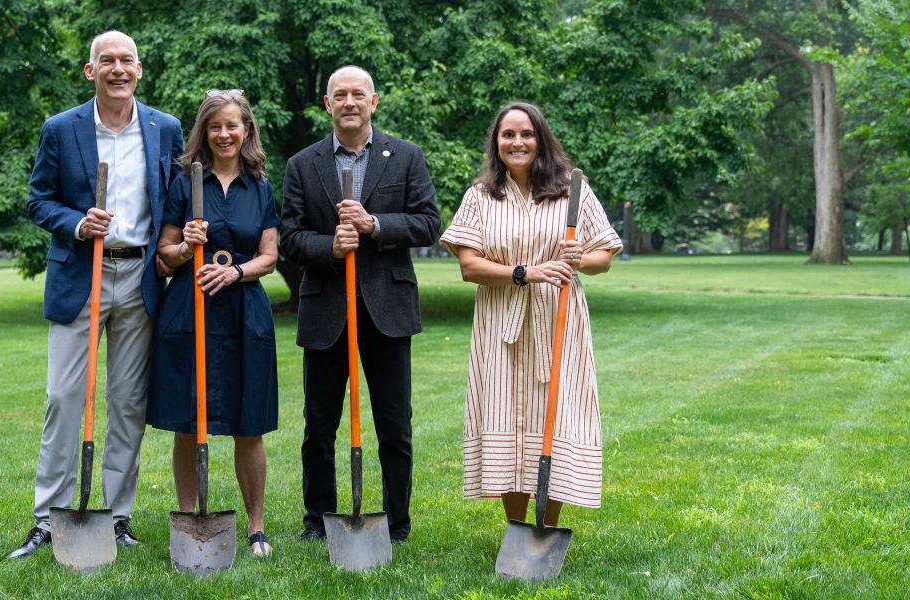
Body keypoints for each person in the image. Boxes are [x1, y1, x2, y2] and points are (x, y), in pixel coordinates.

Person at [9, 30, 184, 559]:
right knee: (65, 398)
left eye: (126, 60)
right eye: (106, 61)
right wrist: (77, 223)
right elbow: (39, 201)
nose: (117, 69)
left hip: (140, 276)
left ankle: (117, 515)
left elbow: (174, 200)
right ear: (91, 71)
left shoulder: (165, 128)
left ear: (138, 67)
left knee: (128, 402)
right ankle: (47, 517)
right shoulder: (61, 129)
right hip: (80, 273)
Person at [439, 101, 621, 527]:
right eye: (508, 135)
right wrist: (524, 272)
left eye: (526, 134)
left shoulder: (572, 190)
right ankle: (517, 529)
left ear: (541, 139)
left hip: (558, 320)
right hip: (501, 321)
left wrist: (580, 257)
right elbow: (469, 266)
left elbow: (604, 256)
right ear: (496, 143)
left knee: (551, 420)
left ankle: (546, 527)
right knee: (505, 416)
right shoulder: (480, 196)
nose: (517, 142)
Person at [280, 66, 440, 543]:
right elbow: (290, 236)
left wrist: (374, 225)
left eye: (358, 95)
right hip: (327, 306)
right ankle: (318, 521)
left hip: (387, 309)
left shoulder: (406, 156)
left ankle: (396, 523)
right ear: (327, 105)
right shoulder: (302, 165)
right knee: (319, 426)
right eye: (339, 95)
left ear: (373, 102)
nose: (349, 102)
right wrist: (328, 247)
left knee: (395, 425)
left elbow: (429, 223)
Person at [149, 90, 280, 557]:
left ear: (246, 130)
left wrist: (236, 271)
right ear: (204, 132)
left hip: (245, 313)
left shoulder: (260, 185)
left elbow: (270, 256)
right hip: (191, 309)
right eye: (215, 126)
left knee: (250, 423)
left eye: (232, 125)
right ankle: (191, 518)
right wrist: (185, 246)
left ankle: (257, 527)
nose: (224, 134)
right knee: (190, 420)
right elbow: (163, 260)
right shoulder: (185, 183)